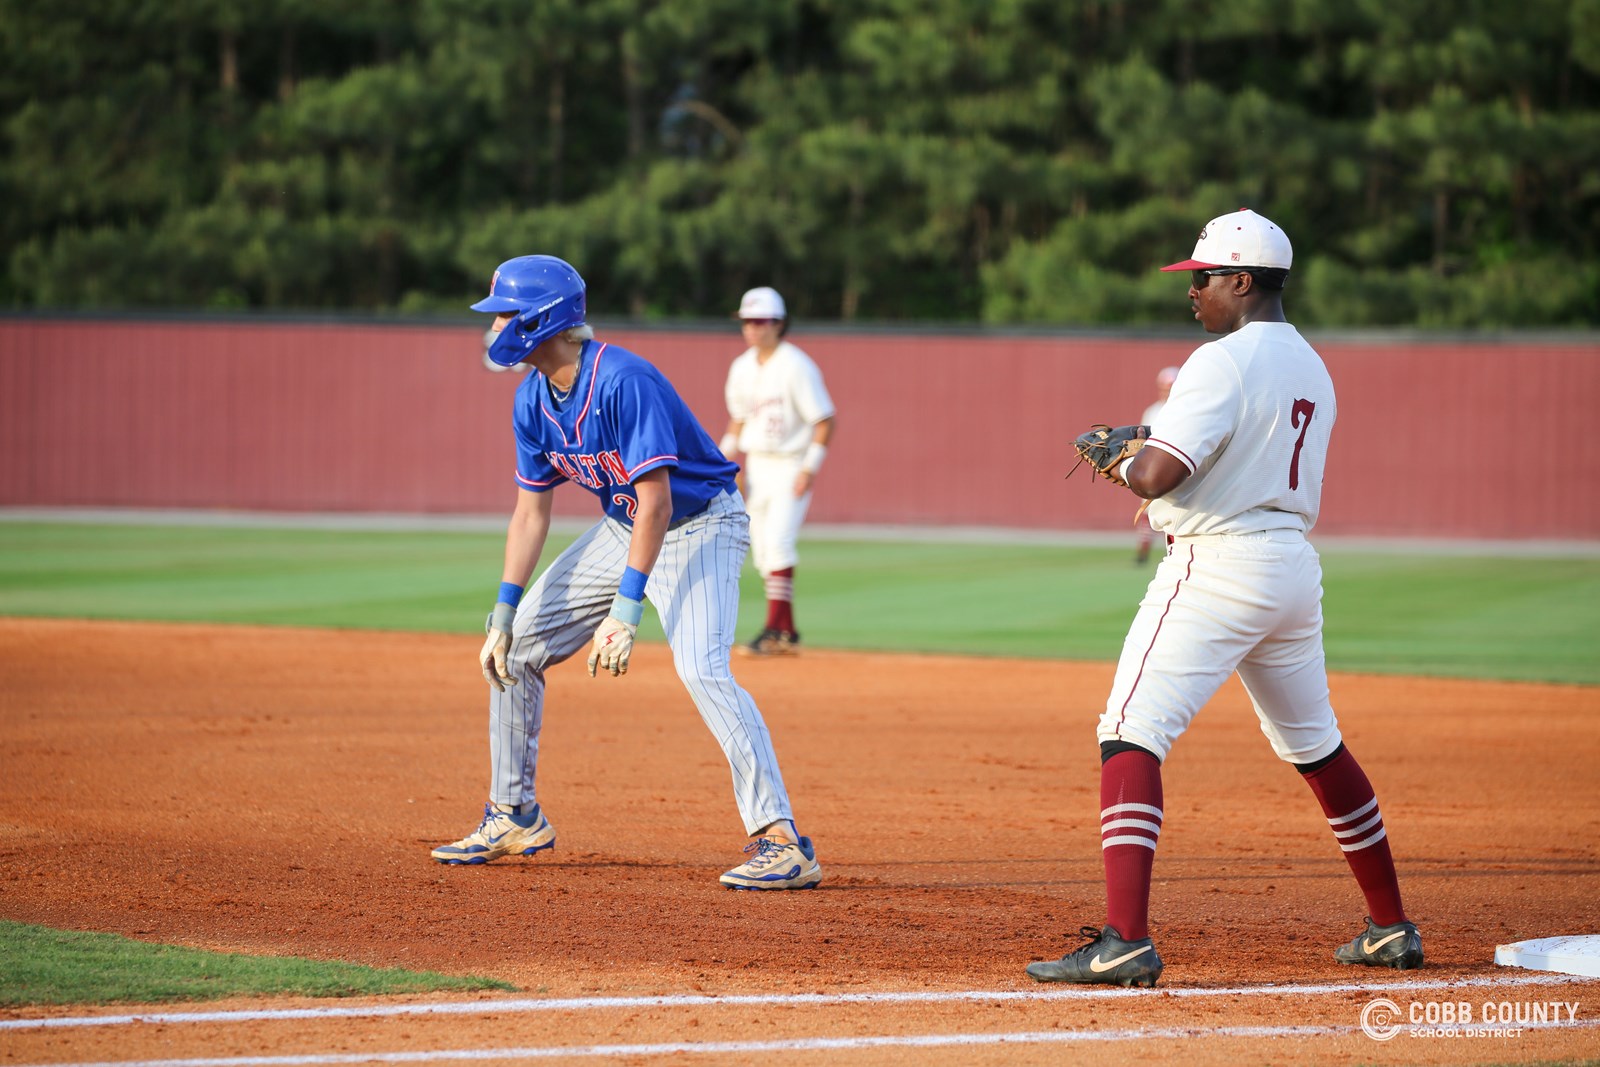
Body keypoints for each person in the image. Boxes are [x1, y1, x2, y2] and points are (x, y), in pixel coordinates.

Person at [1027, 209, 1421, 987]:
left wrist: (1124, 458)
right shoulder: (1312, 364)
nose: (1194, 292)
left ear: (1242, 281)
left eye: (1203, 278)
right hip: (1289, 569)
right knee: (1317, 745)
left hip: (1216, 566)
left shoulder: (1221, 360)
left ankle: (1126, 938)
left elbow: (1154, 477)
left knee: (1129, 731)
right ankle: (1390, 926)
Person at [432, 255, 822, 891]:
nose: (495, 324)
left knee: (701, 668)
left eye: (505, 313)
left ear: (542, 322)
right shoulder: (532, 398)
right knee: (518, 649)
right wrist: (502, 613)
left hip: (700, 525)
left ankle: (782, 841)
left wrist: (625, 610)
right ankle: (514, 813)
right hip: (626, 525)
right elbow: (531, 512)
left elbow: (660, 501)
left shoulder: (622, 379)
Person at [719, 287, 836, 656]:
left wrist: (809, 469)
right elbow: (738, 419)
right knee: (764, 550)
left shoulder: (796, 365)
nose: (751, 329)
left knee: (780, 542)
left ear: (778, 324)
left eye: (759, 321)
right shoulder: (741, 368)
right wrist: (725, 462)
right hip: (757, 465)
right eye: (746, 322)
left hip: (789, 464)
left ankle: (775, 629)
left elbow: (824, 420)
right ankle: (786, 632)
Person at [1132, 366, 1178, 564]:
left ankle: (1175, 552)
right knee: (1148, 512)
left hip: (1176, 466)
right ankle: (1143, 553)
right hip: (1155, 466)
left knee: (1176, 514)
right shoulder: (1153, 411)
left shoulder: (1183, 409)